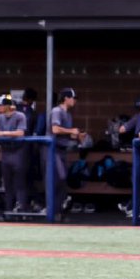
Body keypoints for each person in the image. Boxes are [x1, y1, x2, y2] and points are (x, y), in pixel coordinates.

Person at [48, 88, 87, 218]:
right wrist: (71, 131)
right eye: (73, 98)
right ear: (66, 98)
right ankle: (51, 210)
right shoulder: (57, 111)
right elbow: (55, 129)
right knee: (59, 178)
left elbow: (67, 135)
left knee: (63, 180)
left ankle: (57, 211)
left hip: (63, 150)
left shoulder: (68, 114)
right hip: (53, 150)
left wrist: (78, 136)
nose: (74, 101)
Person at [0, 93, 29, 214]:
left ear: (7, 105)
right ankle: (8, 209)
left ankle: (22, 209)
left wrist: (1, 134)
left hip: (18, 152)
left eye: (1, 105)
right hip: (6, 153)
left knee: (19, 182)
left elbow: (20, 133)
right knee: (7, 182)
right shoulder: (0, 117)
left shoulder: (20, 116)